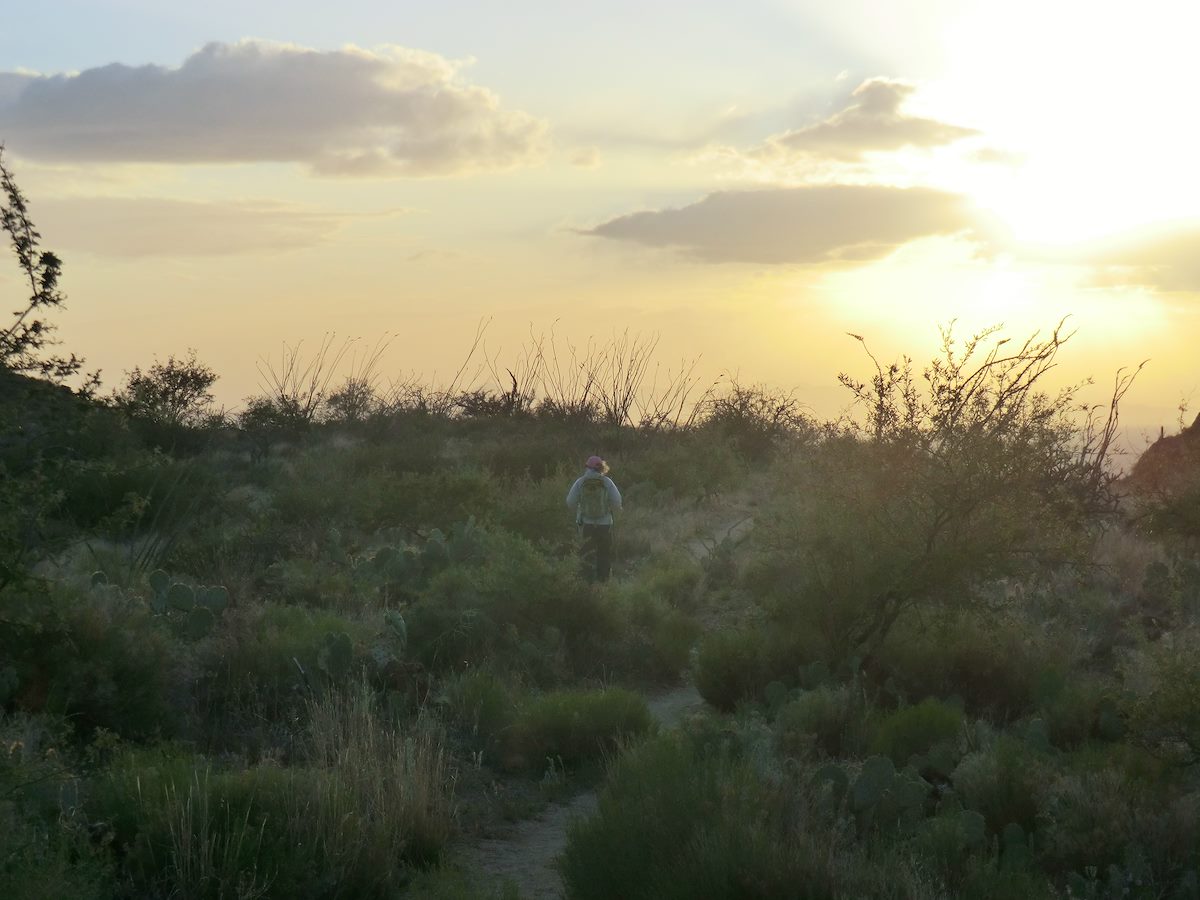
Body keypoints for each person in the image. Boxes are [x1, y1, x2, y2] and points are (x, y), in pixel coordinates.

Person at [566, 455, 622, 582]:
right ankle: (604, 584)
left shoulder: (580, 482)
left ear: (587, 467)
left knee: (586, 555)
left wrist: (581, 509)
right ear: (602, 467)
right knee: (604, 555)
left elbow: (570, 502)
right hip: (605, 524)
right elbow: (617, 502)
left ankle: (587, 585)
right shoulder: (607, 482)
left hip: (586, 525)